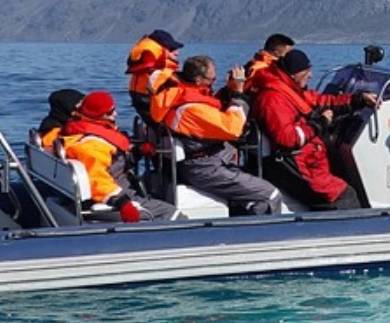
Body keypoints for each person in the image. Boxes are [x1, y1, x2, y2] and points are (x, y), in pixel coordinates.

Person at [148, 55, 289, 216]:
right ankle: (265, 228)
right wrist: (238, 95)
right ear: (199, 80)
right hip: (204, 166)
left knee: (251, 191)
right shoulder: (191, 109)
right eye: (212, 79)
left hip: (209, 159)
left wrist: (229, 90)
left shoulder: (179, 94)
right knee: (269, 195)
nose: (214, 83)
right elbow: (233, 128)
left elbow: (213, 108)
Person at [252, 48, 376, 210]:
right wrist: (319, 124)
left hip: (306, 159)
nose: (310, 76)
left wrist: (358, 99)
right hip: (292, 164)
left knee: (341, 179)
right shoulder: (273, 99)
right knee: (345, 196)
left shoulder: (288, 90)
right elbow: (287, 138)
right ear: (294, 74)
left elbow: (322, 101)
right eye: (306, 72)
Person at [58, 91, 170, 221]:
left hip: (119, 188)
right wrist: (123, 203)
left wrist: (138, 151)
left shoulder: (84, 130)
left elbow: (113, 162)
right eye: (111, 112)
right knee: (171, 212)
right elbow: (97, 179)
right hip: (112, 199)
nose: (115, 114)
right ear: (100, 115)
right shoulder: (91, 146)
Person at [124, 29, 184, 118]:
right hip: (154, 108)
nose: (177, 53)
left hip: (142, 104)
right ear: (162, 50)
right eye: (172, 49)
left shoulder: (143, 69)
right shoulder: (161, 72)